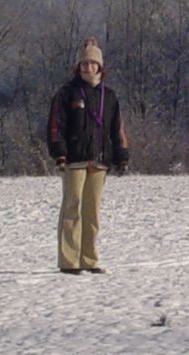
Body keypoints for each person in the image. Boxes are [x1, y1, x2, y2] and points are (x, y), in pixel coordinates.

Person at [46, 37, 129, 275]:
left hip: (100, 160)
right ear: (78, 67)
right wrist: (59, 152)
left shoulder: (110, 96)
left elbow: (117, 128)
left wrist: (121, 155)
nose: (88, 67)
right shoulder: (67, 93)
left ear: (100, 67)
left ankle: (89, 260)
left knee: (92, 212)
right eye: (84, 64)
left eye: (92, 64)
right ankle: (69, 261)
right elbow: (55, 125)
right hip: (74, 160)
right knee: (72, 207)